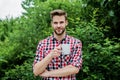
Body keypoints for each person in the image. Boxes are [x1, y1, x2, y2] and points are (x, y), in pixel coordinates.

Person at [33, 9, 82, 80]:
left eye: (61, 22)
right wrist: (50, 56)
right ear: (52, 24)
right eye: (55, 23)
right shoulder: (43, 44)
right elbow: (36, 71)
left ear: (66, 22)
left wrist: (48, 73)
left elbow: (74, 68)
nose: (58, 26)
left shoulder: (75, 43)